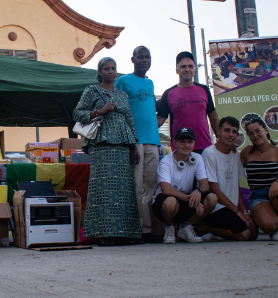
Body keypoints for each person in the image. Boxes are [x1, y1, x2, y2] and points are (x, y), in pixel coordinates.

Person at [73, 57, 141, 246]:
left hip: (123, 144)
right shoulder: (91, 90)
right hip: (101, 144)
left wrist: (134, 145)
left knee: (124, 189)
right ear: (100, 72)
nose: (111, 71)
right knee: (103, 189)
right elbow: (77, 114)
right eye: (106, 68)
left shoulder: (122, 95)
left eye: (113, 68)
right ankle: (103, 234)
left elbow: (130, 119)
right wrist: (99, 111)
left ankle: (126, 233)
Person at [115, 46, 161, 241]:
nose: (144, 60)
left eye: (147, 57)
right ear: (132, 59)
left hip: (153, 141)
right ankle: (137, 229)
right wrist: (130, 141)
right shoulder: (123, 81)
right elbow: (119, 113)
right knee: (136, 185)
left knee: (152, 185)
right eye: (140, 57)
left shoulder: (150, 83)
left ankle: (148, 229)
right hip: (135, 141)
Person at [195, 117, 258, 241]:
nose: (231, 135)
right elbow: (213, 189)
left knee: (254, 233)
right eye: (227, 130)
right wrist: (237, 212)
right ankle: (204, 227)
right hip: (216, 207)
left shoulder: (236, 155)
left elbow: (236, 187)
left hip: (230, 208)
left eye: (234, 131)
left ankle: (218, 232)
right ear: (218, 131)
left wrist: (244, 212)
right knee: (245, 235)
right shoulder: (209, 154)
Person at [152, 127, 217, 244]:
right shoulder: (166, 161)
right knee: (170, 201)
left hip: (187, 199)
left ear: (194, 144)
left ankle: (186, 227)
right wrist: (190, 199)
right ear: (175, 143)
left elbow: (205, 185)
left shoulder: (197, 158)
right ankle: (169, 227)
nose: (186, 145)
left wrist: (198, 191)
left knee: (212, 198)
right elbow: (166, 189)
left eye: (190, 142)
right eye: (182, 141)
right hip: (165, 202)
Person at [240, 118, 278, 241]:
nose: (255, 135)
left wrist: (277, 183)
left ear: (265, 130)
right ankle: (273, 224)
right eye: (250, 133)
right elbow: (233, 173)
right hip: (258, 196)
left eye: (257, 131)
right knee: (268, 225)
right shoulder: (246, 152)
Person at [157, 51, 219, 154]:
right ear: (177, 70)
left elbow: (213, 116)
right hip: (180, 150)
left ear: (195, 69)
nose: (187, 69)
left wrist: (220, 138)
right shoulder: (168, 93)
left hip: (205, 148)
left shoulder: (204, 89)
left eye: (190, 66)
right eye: (183, 67)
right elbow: (160, 120)